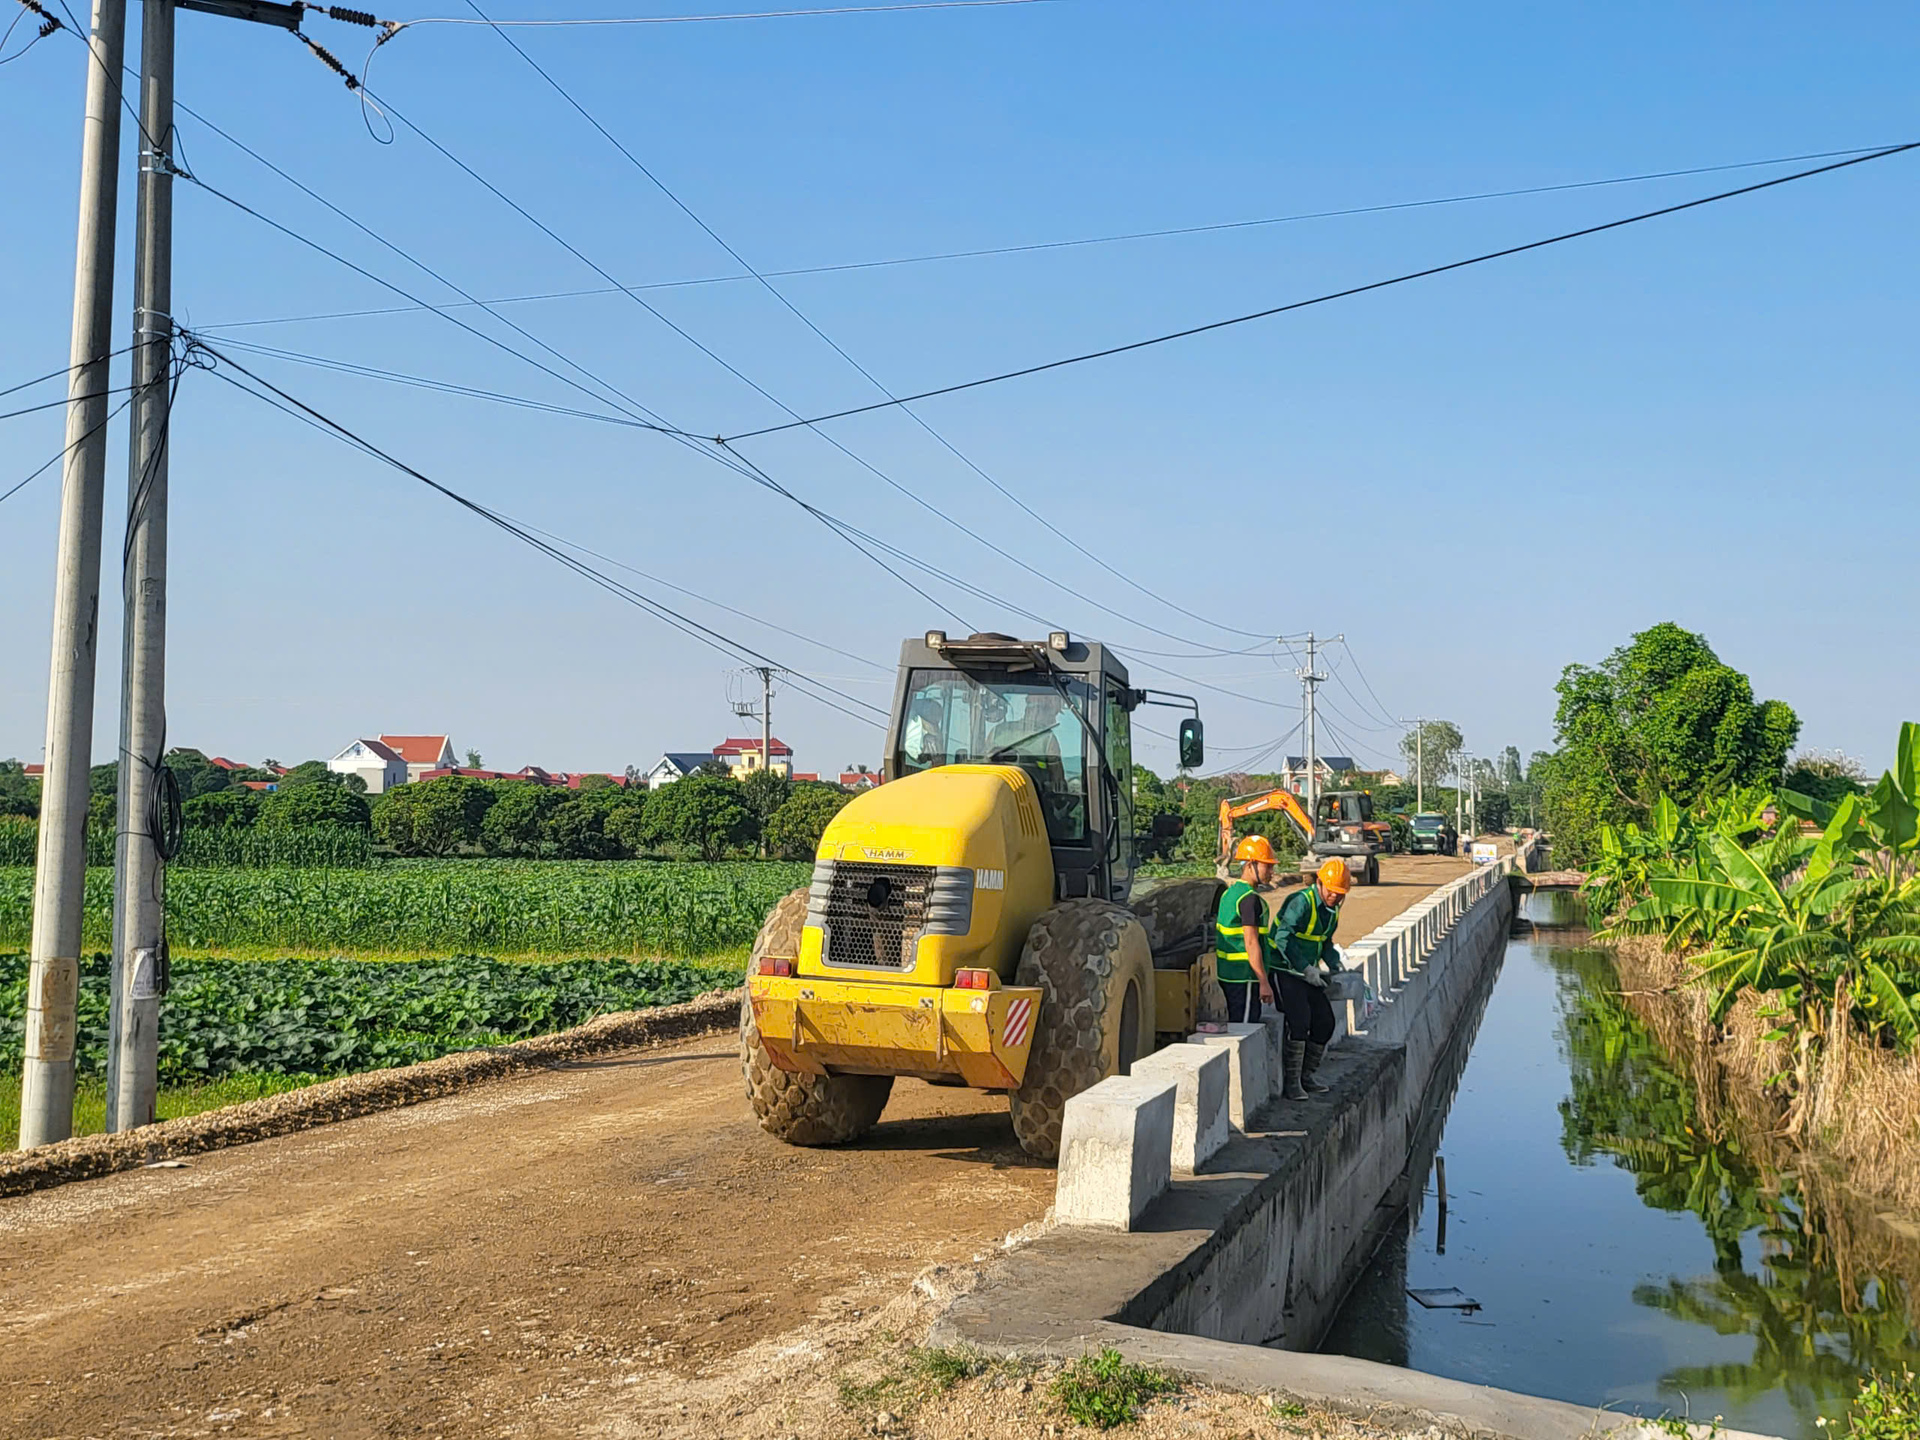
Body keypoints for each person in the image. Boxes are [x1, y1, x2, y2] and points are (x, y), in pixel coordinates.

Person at [1268, 858, 1351, 1100]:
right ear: (1320, 883)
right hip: (1285, 970)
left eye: (1340, 894)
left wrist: (1335, 964)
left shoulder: (1331, 911)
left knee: (1324, 1022)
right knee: (1299, 1022)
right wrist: (1305, 968)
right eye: (1332, 891)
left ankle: (1307, 1075)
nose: (1335, 897)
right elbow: (1283, 937)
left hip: (1308, 974)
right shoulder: (1300, 903)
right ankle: (1292, 1083)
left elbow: (1324, 942)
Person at [1212, 834, 1279, 1025]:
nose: (1271, 871)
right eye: (1267, 866)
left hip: (1227, 974)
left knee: (1234, 1024)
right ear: (1250, 865)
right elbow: (1251, 942)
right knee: (1244, 1029)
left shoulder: (1229, 893)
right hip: (1246, 977)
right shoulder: (1249, 899)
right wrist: (1264, 982)